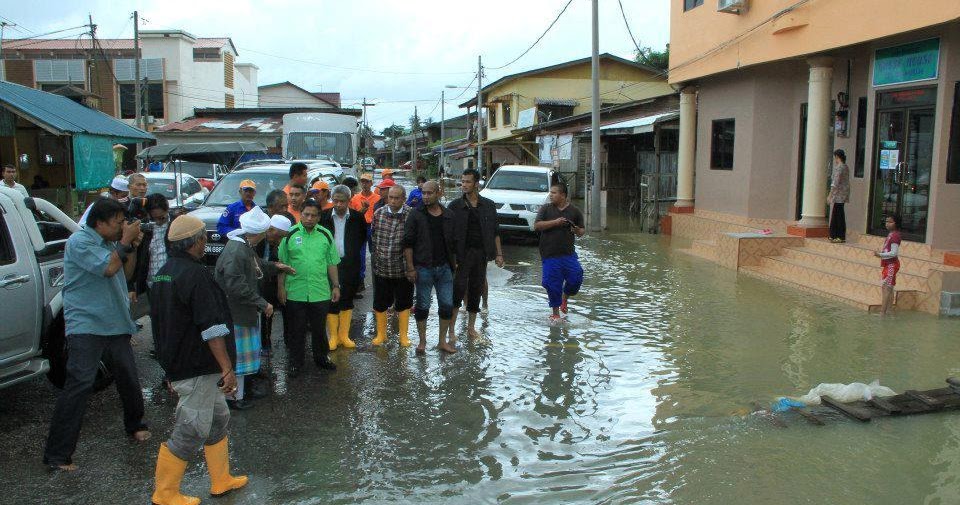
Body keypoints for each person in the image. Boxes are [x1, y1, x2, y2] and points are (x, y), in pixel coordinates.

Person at [43, 198, 150, 471]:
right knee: (79, 383)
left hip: (114, 321)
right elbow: (108, 269)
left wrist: (132, 248)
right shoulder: (79, 242)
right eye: (117, 222)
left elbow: (123, 272)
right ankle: (57, 455)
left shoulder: (111, 243)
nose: (121, 227)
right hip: (86, 323)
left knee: (127, 375)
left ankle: (135, 425)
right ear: (100, 223)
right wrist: (125, 242)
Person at [149, 215, 247, 505]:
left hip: (180, 361)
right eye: (204, 237)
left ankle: (221, 480)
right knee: (191, 427)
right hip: (198, 365)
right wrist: (227, 368)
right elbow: (212, 328)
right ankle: (165, 493)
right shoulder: (196, 275)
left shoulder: (164, 272)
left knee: (218, 419)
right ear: (196, 242)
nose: (206, 241)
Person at [215, 207, 289, 410]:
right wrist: (262, 303)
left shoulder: (243, 246)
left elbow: (258, 265)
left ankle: (241, 393)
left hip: (242, 312)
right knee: (237, 358)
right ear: (258, 233)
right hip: (236, 313)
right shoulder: (237, 250)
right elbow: (236, 285)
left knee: (243, 356)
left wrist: (276, 267)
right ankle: (233, 398)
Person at [278, 199, 340, 376]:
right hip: (295, 292)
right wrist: (280, 288)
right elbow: (281, 264)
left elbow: (331, 263)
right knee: (296, 329)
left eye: (313, 215)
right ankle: (295, 362)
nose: (309, 218)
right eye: (306, 214)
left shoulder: (325, 235)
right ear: (301, 214)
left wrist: (335, 286)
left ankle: (321, 358)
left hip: (320, 292)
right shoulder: (289, 235)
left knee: (319, 329)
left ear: (319, 217)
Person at [447, 168, 504, 342]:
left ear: (477, 184)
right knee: (457, 291)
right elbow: (448, 235)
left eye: (468, 182)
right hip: (461, 255)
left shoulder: (488, 205)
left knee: (476, 289)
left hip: (481, 254)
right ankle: (451, 330)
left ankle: (471, 328)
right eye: (462, 182)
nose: (464, 185)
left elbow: (495, 231)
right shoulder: (455, 206)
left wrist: (499, 254)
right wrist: (451, 258)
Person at [402, 181, 457, 354]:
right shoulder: (415, 215)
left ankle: (442, 341)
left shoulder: (448, 215)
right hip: (423, 267)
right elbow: (408, 243)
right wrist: (410, 268)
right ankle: (422, 342)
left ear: (438, 193)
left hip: (445, 267)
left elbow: (454, 241)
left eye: (429, 193)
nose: (425, 196)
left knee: (447, 305)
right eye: (423, 193)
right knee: (422, 306)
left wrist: (455, 263)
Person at [322, 185, 368, 350]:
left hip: (350, 264)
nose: (339, 204)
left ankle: (344, 335)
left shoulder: (357, 217)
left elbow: (362, 238)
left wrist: (352, 252)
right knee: (332, 299)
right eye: (335, 200)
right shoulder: (324, 217)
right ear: (331, 200)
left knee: (347, 298)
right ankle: (333, 336)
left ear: (349, 200)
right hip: (329, 264)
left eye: (342, 201)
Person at [534, 183, 585, 323]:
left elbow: (581, 231)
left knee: (576, 277)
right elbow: (537, 226)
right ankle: (555, 313)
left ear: (563, 195)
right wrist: (555, 222)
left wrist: (575, 230)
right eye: (550, 192)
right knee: (551, 283)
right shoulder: (546, 209)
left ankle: (565, 297)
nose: (551, 195)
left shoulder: (574, 211)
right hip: (549, 254)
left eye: (554, 193)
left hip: (568, 254)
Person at [370, 185, 413, 347]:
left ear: (404, 199)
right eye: (390, 197)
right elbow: (373, 238)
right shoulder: (378, 214)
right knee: (380, 303)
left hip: (402, 270)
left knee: (404, 303)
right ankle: (381, 334)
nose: (393, 201)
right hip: (381, 268)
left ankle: (403, 336)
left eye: (397, 198)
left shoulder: (411, 215)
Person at [874, 214, 901, 316]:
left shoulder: (895, 236)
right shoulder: (891, 234)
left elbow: (894, 253)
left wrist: (879, 255)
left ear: (896, 223)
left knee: (887, 288)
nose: (887, 224)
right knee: (888, 288)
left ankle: (882, 313)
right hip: (888, 265)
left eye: (890, 222)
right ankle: (889, 311)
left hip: (891, 265)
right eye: (886, 221)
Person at [828, 149, 850, 243]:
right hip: (843, 193)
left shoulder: (840, 167)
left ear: (837, 157)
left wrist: (830, 195)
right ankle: (834, 234)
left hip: (839, 194)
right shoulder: (845, 167)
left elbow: (835, 182)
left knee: (838, 214)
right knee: (837, 213)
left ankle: (839, 235)